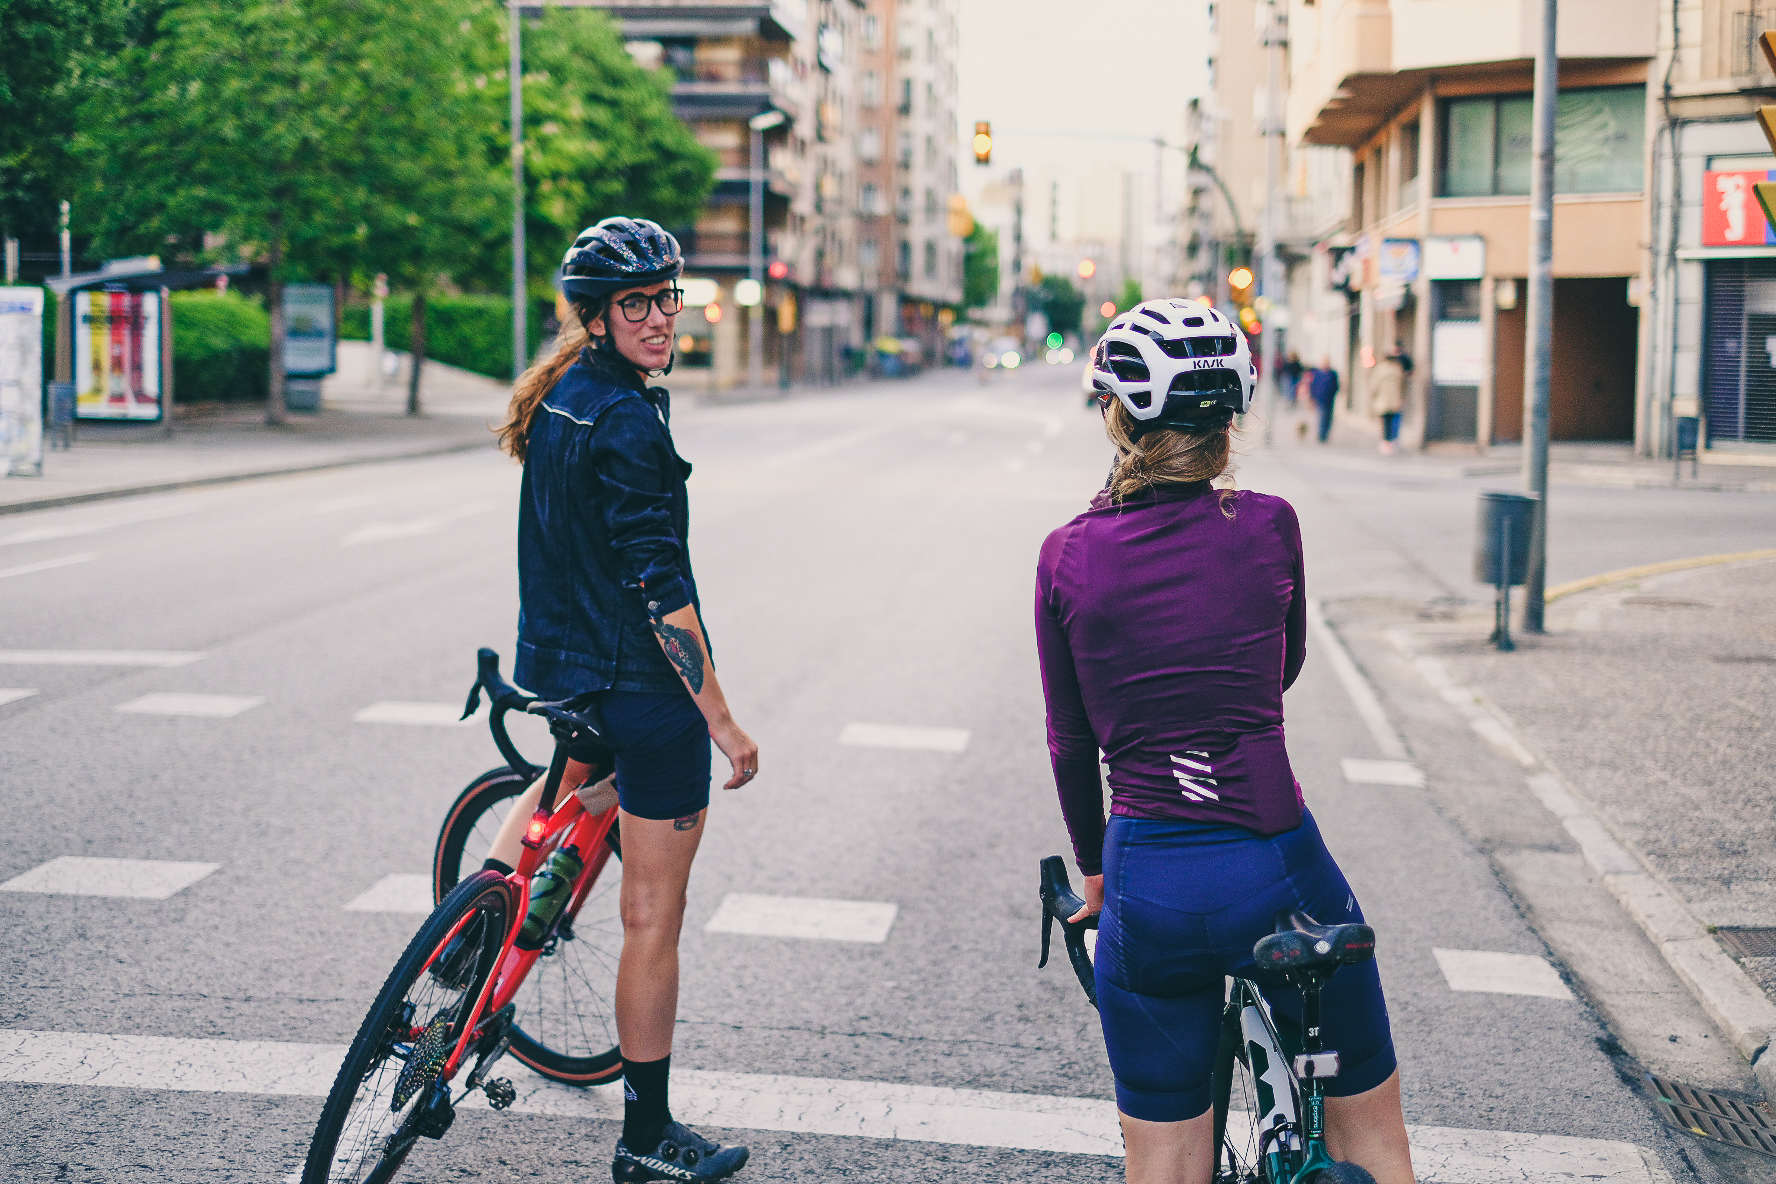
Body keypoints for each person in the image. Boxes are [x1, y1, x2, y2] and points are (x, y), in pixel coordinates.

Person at [1043, 299, 1416, 1184]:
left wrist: (1096, 877)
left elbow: (1070, 742)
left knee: (1166, 1161)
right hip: (1278, 869)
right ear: (1232, 417)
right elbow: (1281, 666)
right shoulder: (1270, 523)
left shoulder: (1068, 555)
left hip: (1151, 884)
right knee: (1377, 1144)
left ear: (1117, 413)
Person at [486, 217, 759, 1184]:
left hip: (560, 670)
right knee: (653, 916)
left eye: (665, 297)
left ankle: (468, 947)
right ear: (595, 317)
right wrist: (718, 719)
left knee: (575, 786)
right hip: (639, 689)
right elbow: (659, 586)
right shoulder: (632, 420)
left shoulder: (562, 393)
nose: (657, 317)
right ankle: (646, 1142)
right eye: (634, 303)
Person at [1370, 344, 1406, 455]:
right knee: (1393, 421)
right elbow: (1402, 386)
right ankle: (1393, 440)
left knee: (1385, 422)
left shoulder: (1380, 370)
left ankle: (1386, 442)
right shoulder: (1397, 370)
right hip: (1394, 400)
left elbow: (1374, 385)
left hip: (1383, 400)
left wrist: (1373, 396)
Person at [1307, 357, 1340, 444]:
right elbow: (1313, 386)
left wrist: (1334, 393)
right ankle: (1321, 434)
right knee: (1322, 416)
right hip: (1320, 398)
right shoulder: (1318, 374)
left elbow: (1336, 386)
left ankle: (1325, 433)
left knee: (1328, 417)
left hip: (1330, 399)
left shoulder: (1333, 374)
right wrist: (1312, 397)